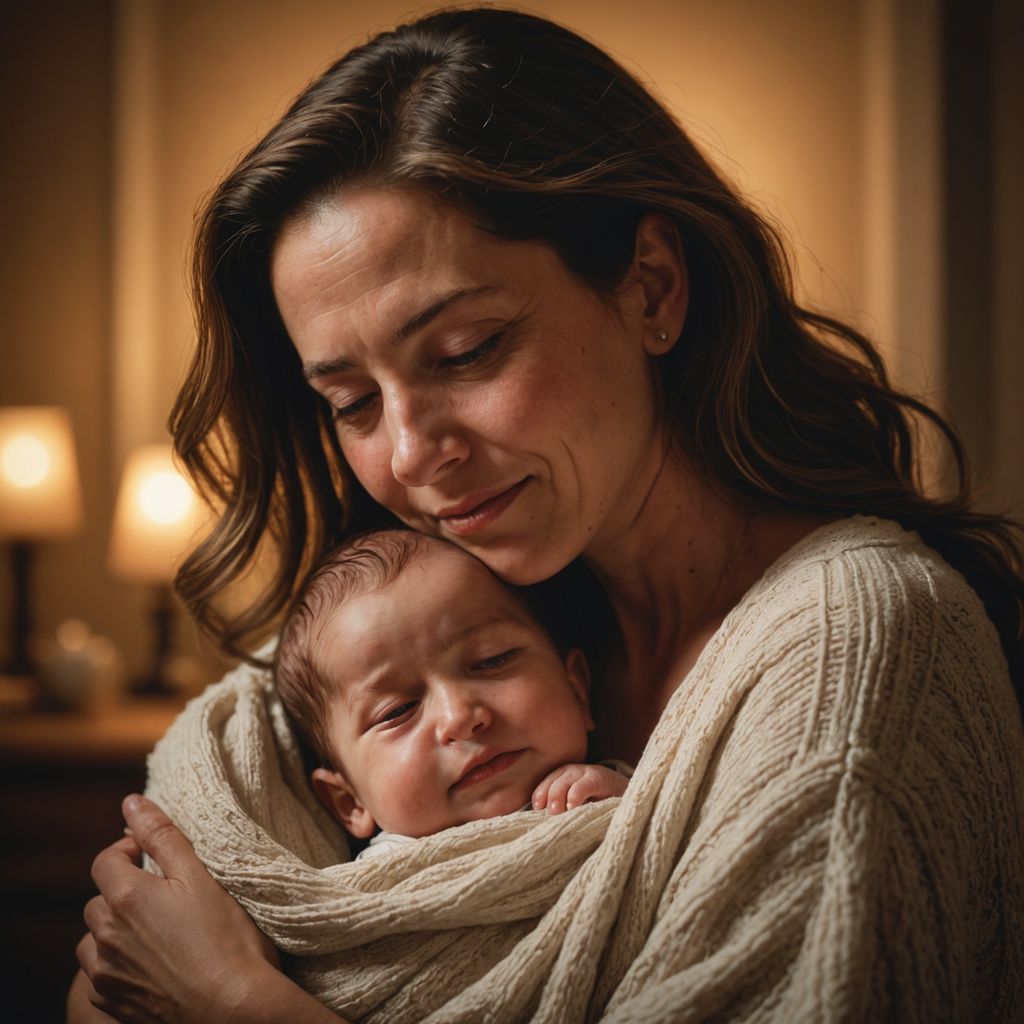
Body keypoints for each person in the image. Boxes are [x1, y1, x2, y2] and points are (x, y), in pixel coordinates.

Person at [71, 7, 1024, 1022]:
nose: (406, 452)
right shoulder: (453, 603)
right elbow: (123, 961)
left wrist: (234, 1000)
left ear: (652, 287)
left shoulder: (856, 647)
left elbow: (184, 980)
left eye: (464, 350)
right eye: (351, 401)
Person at [274, 528, 629, 858]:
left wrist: (621, 799)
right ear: (350, 801)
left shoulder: (616, 789)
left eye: (492, 661)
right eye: (398, 711)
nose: (458, 715)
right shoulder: (383, 879)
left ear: (577, 689)